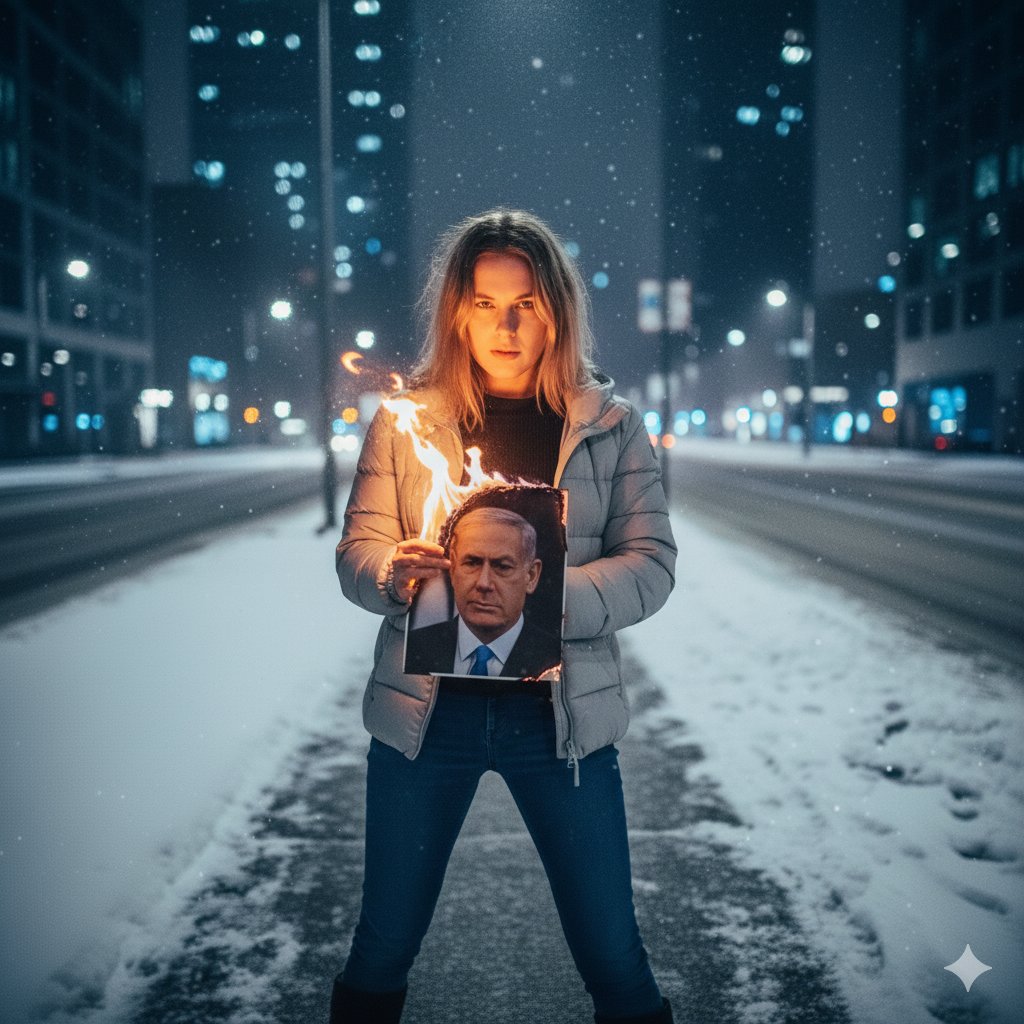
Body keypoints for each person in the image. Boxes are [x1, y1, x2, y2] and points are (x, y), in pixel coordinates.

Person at [334, 209, 677, 1023]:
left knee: (613, 955)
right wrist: (393, 572)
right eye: (486, 304)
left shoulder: (610, 429)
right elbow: (358, 551)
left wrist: (548, 600)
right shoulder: (408, 422)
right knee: (382, 948)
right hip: (427, 719)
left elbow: (652, 565)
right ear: (458, 312)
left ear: (556, 309)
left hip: (559, 726)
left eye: (525, 302)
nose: (507, 324)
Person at [404, 505, 561, 679]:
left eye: (502, 567)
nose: (484, 583)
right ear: (453, 567)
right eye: (472, 563)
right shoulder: (412, 648)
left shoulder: (558, 660)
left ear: (531, 576)